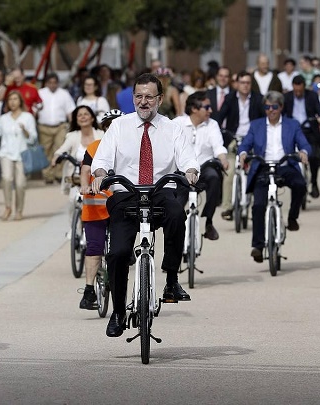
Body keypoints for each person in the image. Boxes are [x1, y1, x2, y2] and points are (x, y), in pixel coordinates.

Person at [90, 73, 199, 338]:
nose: (143, 101)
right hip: (126, 193)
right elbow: (102, 159)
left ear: (160, 99)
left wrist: (191, 171)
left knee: (176, 214)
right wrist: (101, 173)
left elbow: (188, 159)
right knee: (117, 253)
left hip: (160, 190)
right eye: (138, 96)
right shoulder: (119, 126)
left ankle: (171, 279)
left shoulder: (173, 128)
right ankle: (117, 312)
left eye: (149, 96)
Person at [238, 91, 310, 262]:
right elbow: (246, 143)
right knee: (258, 206)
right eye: (267, 107)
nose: (271, 110)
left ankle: (292, 217)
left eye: (275, 107)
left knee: (300, 185)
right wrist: (242, 153)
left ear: (281, 107)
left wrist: (303, 152)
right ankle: (258, 245)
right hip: (263, 167)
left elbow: (304, 143)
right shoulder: (256, 125)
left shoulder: (292, 124)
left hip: (285, 165)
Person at [76, 109, 124, 310]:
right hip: (96, 205)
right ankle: (89, 291)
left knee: (121, 248)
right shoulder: (95, 147)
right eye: (109, 125)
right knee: (94, 247)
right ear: (104, 129)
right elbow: (86, 170)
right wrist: (85, 185)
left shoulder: (129, 149)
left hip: (120, 204)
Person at [173, 91, 229, 240]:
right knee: (176, 206)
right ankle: (176, 234)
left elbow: (218, 146)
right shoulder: (177, 123)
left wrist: (223, 159)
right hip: (182, 171)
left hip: (204, 168)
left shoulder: (212, 124)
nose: (210, 110)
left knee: (214, 177)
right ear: (194, 109)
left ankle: (208, 221)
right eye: (207, 107)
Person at [215, 70, 266, 220]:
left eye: (248, 83)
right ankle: (227, 207)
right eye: (242, 82)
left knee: (257, 171)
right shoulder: (230, 98)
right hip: (233, 138)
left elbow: (264, 121)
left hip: (252, 140)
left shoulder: (258, 99)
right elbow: (219, 118)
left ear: (251, 84)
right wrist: (220, 131)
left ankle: (257, 205)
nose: (245, 86)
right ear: (237, 84)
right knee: (229, 170)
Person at [0, 90, 37, 221]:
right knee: (6, 178)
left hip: (22, 153)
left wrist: (25, 131)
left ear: (20, 101)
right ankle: (7, 206)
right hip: (6, 153)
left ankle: (19, 210)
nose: (12, 102)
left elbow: (33, 138)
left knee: (20, 184)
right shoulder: (3, 118)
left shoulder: (28, 117)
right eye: (10, 99)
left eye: (15, 99)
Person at [283, 75, 320, 198]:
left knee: (313, 155)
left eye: (300, 91)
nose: (297, 93)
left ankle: (314, 181)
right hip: (293, 130)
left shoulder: (312, 96)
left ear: (303, 88)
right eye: (295, 90)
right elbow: (283, 114)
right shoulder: (287, 97)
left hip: (309, 130)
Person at [52, 105, 104, 196]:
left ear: (92, 118)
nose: (83, 117)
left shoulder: (101, 134)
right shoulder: (72, 136)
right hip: (76, 177)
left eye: (86, 114)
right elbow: (62, 150)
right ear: (76, 120)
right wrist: (55, 158)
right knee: (73, 200)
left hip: (98, 177)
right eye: (79, 115)